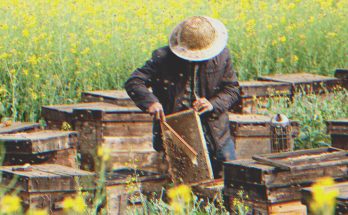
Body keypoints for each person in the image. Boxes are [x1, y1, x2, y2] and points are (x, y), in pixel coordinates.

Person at [125, 16, 240, 177]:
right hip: (177, 135)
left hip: (217, 136)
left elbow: (232, 90)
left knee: (230, 185)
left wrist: (212, 104)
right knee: (184, 191)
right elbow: (134, 82)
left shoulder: (222, 56)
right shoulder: (162, 57)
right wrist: (150, 102)